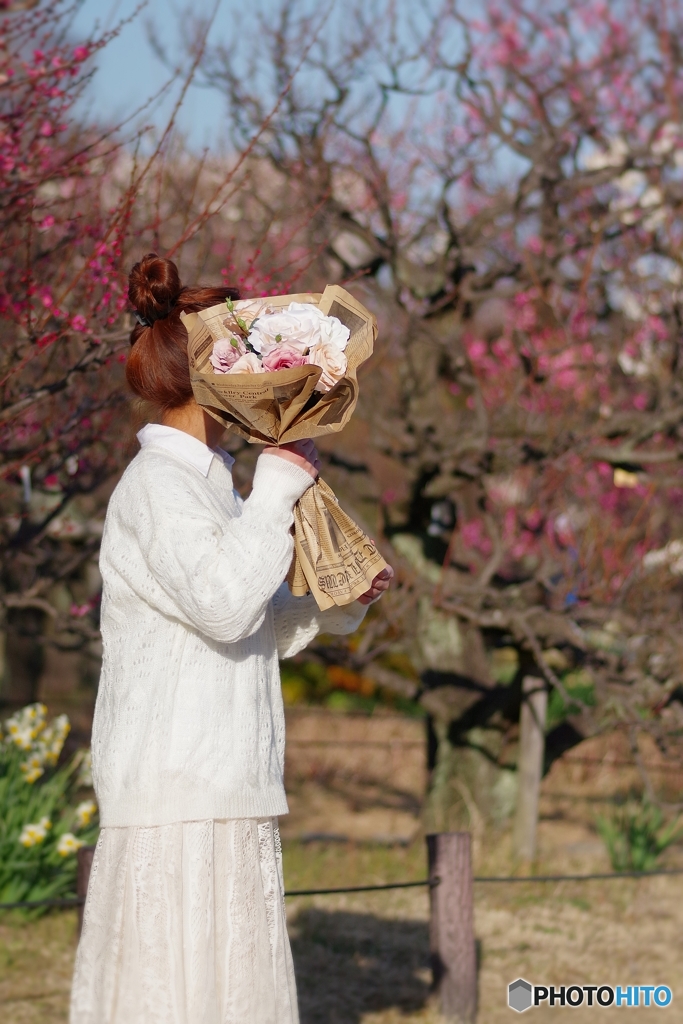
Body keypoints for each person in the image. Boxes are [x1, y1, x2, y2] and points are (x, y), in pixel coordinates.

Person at [69, 254, 393, 1024]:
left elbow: (249, 623)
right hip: (177, 787)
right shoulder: (157, 487)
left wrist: (336, 603)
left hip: (218, 779)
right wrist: (277, 485)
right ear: (210, 378)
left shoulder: (209, 484)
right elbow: (221, 604)